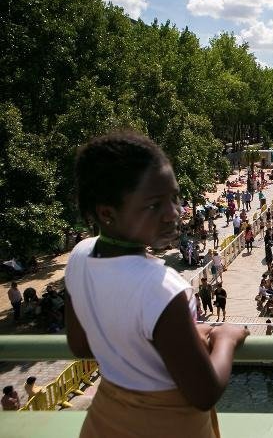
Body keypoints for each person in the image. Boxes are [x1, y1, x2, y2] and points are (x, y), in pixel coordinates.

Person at [64, 131, 249, 435]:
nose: (174, 213)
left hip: (105, 420)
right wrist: (227, 338)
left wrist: (178, 336)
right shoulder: (162, 287)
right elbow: (204, 393)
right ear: (107, 213)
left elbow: (81, 345)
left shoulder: (80, 256)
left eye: (174, 198)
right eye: (154, 205)